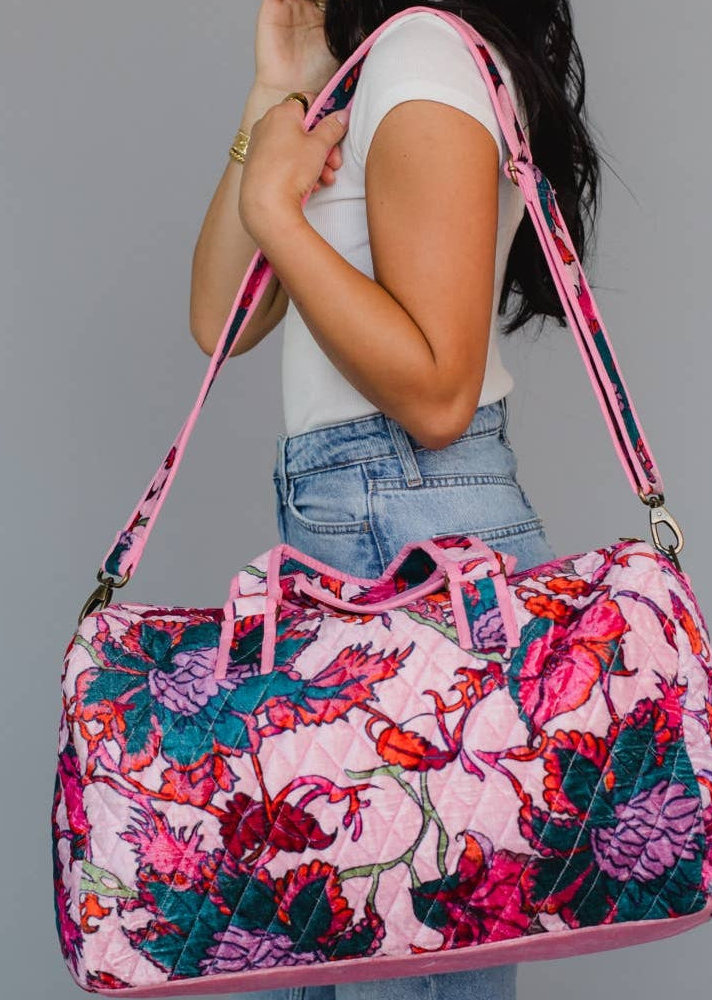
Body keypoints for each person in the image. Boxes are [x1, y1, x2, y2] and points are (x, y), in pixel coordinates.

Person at [189, 2, 603, 998]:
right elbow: (218, 318)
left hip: (404, 522)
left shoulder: (423, 55)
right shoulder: (360, 70)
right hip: (369, 519)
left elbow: (434, 392)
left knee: (403, 964)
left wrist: (282, 215)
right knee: (358, 956)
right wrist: (271, 93)